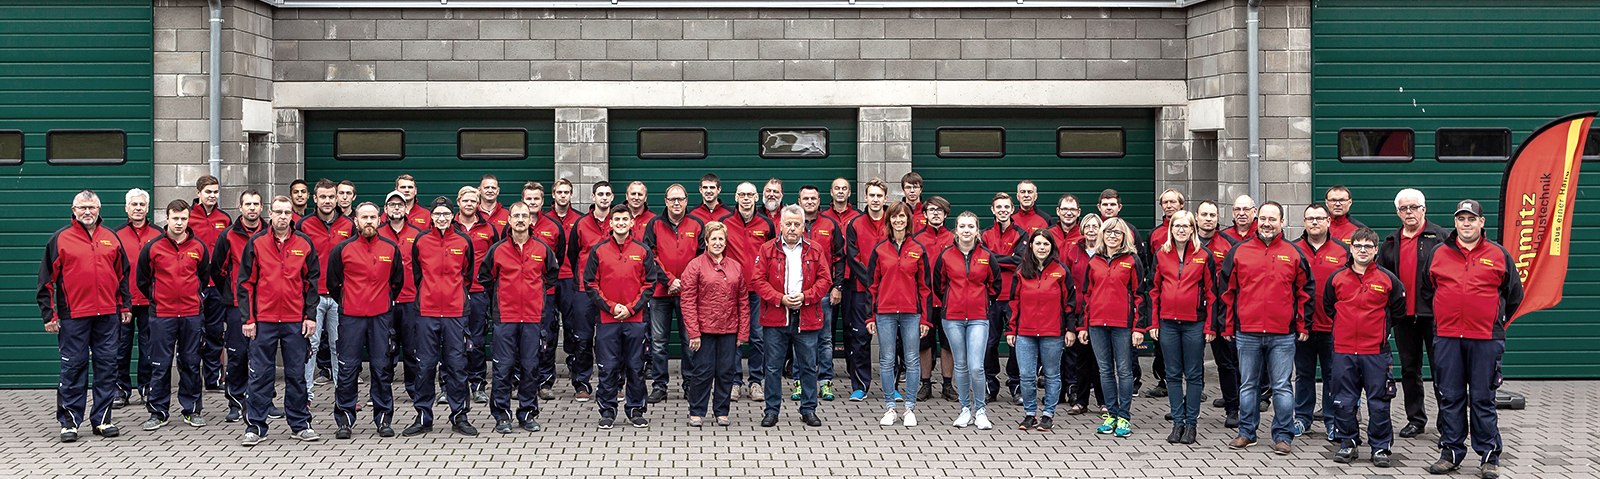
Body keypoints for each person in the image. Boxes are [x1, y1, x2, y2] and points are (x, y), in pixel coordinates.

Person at [1419, 199, 1521, 479]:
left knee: (1482, 398)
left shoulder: (1498, 254)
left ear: (1481, 222)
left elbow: (1514, 295)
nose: (1466, 223)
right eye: (1461, 219)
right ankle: (1451, 452)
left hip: (1485, 339)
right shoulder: (1439, 253)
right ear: (1455, 223)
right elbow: (1427, 290)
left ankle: (1489, 456)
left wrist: (1493, 318)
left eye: (1471, 219)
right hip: (1448, 338)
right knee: (1449, 397)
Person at [1219, 201, 1313, 455]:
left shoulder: (1293, 253)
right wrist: (1227, 325)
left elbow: (1305, 292)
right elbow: (1227, 292)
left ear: (1282, 222)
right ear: (1255, 221)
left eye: (1272, 219)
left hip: (1282, 333)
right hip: (1246, 331)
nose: (1267, 224)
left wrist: (1303, 324)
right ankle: (1247, 432)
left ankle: (1283, 435)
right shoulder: (1239, 251)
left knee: (1282, 386)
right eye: (1262, 219)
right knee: (1248, 385)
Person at [39, 189, 132, 442]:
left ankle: (102, 420)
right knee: (73, 368)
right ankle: (69, 423)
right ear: (73, 210)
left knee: (106, 367)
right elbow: (46, 281)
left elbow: (122, 276)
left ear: (99, 210)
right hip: (74, 317)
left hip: (107, 316)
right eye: (82, 207)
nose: (87, 212)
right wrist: (49, 315)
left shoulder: (111, 238)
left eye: (92, 207)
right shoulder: (60, 239)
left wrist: (124, 306)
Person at [236, 195, 321, 446]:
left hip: (295, 321)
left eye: (287, 212)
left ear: (292, 214)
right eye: (278, 212)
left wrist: (310, 316)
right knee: (261, 375)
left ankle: (300, 424)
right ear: (269, 214)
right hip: (264, 321)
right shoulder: (256, 243)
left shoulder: (304, 243)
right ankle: (256, 426)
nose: (283, 217)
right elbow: (245, 284)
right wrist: (248, 319)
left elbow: (311, 284)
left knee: (296, 374)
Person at [1323, 227, 1404, 468]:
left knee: (1379, 402)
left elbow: (1398, 310)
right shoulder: (1337, 278)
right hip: (1344, 351)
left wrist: (1381, 328)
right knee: (1344, 401)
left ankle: (1380, 448)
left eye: (1368, 246)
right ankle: (1348, 443)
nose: (1362, 250)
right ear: (1351, 248)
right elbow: (1329, 307)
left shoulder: (1387, 279)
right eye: (1358, 245)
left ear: (1376, 250)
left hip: (1375, 352)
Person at [479, 201, 559, 434]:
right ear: (510, 221)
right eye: (517, 216)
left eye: (525, 215)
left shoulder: (542, 249)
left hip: (533, 317)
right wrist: (502, 296)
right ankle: (502, 416)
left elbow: (551, 275)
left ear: (531, 220)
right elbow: (486, 277)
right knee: (503, 368)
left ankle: (527, 413)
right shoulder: (498, 250)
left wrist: (536, 294)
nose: (521, 219)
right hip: (505, 317)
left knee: (530, 367)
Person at [325, 202, 404, 439]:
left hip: (381, 317)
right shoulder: (342, 249)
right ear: (356, 221)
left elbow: (396, 282)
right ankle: (345, 420)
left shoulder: (390, 249)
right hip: (351, 317)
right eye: (364, 217)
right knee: (347, 369)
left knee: (381, 369)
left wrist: (383, 301)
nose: (368, 221)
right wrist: (350, 300)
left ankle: (383, 419)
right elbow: (333, 283)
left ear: (380, 219)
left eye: (372, 217)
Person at [1377, 188, 1449, 439]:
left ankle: (1448, 424)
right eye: (1404, 208)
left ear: (1424, 209)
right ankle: (1416, 419)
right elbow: (1382, 279)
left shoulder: (1441, 238)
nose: (1409, 212)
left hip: (1435, 317)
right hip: (1404, 318)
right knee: (1409, 370)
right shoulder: (1389, 243)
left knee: (1443, 371)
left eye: (1414, 207)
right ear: (1398, 212)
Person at [404, 197, 477, 437]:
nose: (442, 218)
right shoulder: (421, 241)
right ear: (431, 217)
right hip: (427, 312)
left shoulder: (463, 241)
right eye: (438, 214)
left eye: (446, 214)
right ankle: (423, 416)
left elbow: (467, 273)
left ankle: (460, 416)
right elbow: (418, 273)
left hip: (456, 312)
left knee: (456, 365)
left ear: (452, 216)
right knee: (425, 366)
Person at [753, 205, 831, 428]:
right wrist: (780, 298)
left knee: (808, 366)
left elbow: (825, 280)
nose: (793, 228)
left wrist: (806, 296)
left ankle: (809, 409)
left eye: (797, 224)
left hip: (806, 315)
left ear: (804, 225)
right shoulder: (767, 249)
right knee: (773, 367)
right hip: (776, 316)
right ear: (780, 225)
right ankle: (771, 410)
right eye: (789, 224)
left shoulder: (814, 249)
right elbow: (758, 281)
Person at [584, 207, 662, 429]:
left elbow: (649, 283)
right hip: (607, 320)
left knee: (635, 367)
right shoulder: (598, 251)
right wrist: (610, 307)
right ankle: (607, 411)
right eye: (616, 219)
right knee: (608, 367)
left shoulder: (643, 250)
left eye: (624, 219)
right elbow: (590, 283)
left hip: (635, 320)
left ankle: (636, 409)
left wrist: (630, 308)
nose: (620, 223)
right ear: (610, 223)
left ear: (631, 223)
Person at [136, 199, 211, 431]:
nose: (179, 223)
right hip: (162, 315)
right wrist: (159, 296)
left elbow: (204, 276)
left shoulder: (198, 247)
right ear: (167, 219)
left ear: (188, 220)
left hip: (191, 315)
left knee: (190, 363)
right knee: (159, 364)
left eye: (183, 219)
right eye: (175, 218)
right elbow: (142, 279)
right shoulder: (153, 247)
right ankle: (158, 412)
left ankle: (191, 410)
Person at [1079, 217, 1149, 438]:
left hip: (1123, 325)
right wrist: (1083, 326)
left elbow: (1140, 296)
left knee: (1125, 371)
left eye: (1117, 233)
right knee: (1105, 371)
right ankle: (1110, 414)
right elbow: (1087, 296)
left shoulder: (1132, 260)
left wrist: (1139, 328)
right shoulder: (1094, 262)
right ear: (1102, 235)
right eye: (1108, 232)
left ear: (1124, 237)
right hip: (1097, 325)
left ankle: (1124, 417)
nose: (1112, 236)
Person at [1148, 210, 1213, 444]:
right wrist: (1153, 322)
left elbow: (1212, 293)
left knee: (1194, 374)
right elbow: (1153, 291)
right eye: (1177, 226)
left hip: (1194, 323)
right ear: (1171, 229)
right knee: (1172, 374)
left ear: (1193, 229)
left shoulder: (1203, 255)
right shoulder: (1161, 254)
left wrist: (1210, 326)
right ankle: (1178, 422)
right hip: (1167, 323)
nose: (1182, 230)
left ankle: (1191, 423)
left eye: (1186, 226)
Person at [866, 201, 932, 426]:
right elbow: (871, 285)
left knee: (912, 360)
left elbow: (925, 287)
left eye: (902, 217)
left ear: (908, 220)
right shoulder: (880, 249)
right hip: (884, 313)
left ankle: (910, 408)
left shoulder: (918, 249)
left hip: (911, 313)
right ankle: (890, 408)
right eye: (894, 217)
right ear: (889, 220)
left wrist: (925, 319)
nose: (898, 220)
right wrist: (869, 316)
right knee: (886, 361)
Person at [933, 212, 1001, 429]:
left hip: (978, 317)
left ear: (976, 230)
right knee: (960, 366)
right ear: (956, 230)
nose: (966, 230)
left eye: (970, 226)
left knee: (976, 367)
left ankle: (980, 410)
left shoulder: (987, 256)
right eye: (962, 226)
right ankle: (964, 409)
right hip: (952, 318)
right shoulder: (945, 256)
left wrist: (980, 301)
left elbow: (995, 285)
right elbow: (939, 285)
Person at [679, 222, 750, 427]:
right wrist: (693, 332)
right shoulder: (695, 266)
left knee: (726, 371)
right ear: (706, 242)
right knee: (702, 371)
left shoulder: (735, 267)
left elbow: (743, 301)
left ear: (726, 242)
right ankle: (697, 411)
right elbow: (688, 300)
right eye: (714, 239)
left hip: (729, 328)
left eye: (721, 239)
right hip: (704, 330)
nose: (717, 243)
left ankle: (722, 411)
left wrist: (742, 332)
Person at [1009, 229, 1078, 432]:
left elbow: (1070, 304)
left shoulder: (1061, 271)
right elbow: (1014, 303)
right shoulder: (1021, 271)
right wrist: (1011, 330)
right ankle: (1030, 415)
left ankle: (1048, 415)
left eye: (1046, 244)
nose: (1041, 247)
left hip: (1053, 332)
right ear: (1031, 246)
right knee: (1027, 375)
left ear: (1051, 247)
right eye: (1038, 243)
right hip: (1025, 332)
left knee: (1052, 375)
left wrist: (1070, 330)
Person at [210, 190, 270, 423]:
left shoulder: (270, 233)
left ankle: (264, 401)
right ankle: (236, 402)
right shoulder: (228, 236)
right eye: (248, 204)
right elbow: (217, 269)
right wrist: (232, 291)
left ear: (262, 207)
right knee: (237, 354)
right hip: (236, 304)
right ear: (240, 207)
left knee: (262, 356)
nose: (252, 208)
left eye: (256, 203)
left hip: (265, 305)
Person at [643, 184, 705, 404]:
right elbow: (650, 255)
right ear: (666, 201)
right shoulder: (654, 224)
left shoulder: (697, 225)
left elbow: (701, 258)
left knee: (690, 341)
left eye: (680, 199)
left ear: (687, 201)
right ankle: (660, 386)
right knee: (659, 342)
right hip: (661, 292)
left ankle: (690, 384)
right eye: (672, 199)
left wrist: (684, 282)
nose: (676, 203)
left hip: (689, 294)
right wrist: (669, 280)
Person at [1293, 203, 1350, 439]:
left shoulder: (1343, 251)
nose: (1314, 222)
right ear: (1304, 222)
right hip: (1302, 327)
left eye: (1319, 218)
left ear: (1328, 221)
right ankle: (1302, 418)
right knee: (1304, 374)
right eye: (1310, 219)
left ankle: (1332, 420)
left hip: (1332, 327)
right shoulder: (1294, 249)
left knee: (1331, 375)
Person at [719, 182, 777, 401]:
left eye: (749, 195)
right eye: (741, 194)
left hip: (757, 291)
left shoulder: (766, 224)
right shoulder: (724, 223)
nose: (745, 198)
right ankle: (734, 382)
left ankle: (755, 382)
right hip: (731, 289)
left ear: (756, 197)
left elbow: (773, 255)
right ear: (735, 196)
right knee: (733, 337)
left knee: (758, 337)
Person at [298, 179, 354, 398]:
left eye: (332, 197)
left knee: (339, 346)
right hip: (313, 297)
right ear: (315, 198)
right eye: (323, 197)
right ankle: (306, 395)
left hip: (340, 296)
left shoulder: (348, 225)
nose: (328, 201)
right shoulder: (304, 225)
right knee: (310, 346)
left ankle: (344, 395)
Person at [561, 181, 614, 402]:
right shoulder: (581, 224)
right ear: (593, 197)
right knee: (582, 338)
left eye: (607, 194)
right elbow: (573, 254)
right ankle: (581, 383)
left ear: (612, 197)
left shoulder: (618, 221)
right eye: (600, 194)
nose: (604, 198)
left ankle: (612, 384)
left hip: (611, 291)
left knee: (610, 339)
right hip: (583, 289)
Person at [794, 184, 844, 401]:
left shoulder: (830, 225)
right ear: (799, 200)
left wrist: (837, 286)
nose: (810, 202)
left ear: (819, 200)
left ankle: (825, 382)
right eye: (806, 198)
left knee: (824, 339)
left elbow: (840, 258)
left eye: (813, 198)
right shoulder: (792, 224)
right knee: (799, 337)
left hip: (823, 292)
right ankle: (798, 382)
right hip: (797, 292)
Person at [842, 178, 889, 401]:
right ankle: (860, 385)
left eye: (879, 195)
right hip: (861, 290)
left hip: (891, 291)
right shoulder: (855, 224)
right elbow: (853, 256)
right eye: (872, 195)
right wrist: (872, 281)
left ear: (885, 198)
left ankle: (892, 386)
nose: (876, 199)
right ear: (866, 197)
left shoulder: (894, 220)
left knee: (892, 340)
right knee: (860, 338)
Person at [1198, 199, 1244, 427]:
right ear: (1196, 218)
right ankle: (1190, 408)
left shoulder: (1230, 245)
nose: (1208, 218)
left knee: (1226, 363)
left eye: (1212, 215)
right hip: (1193, 314)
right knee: (1191, 365)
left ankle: (1233, 408)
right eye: (1204, 214)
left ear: (1218, 218)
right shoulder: (1187, 242)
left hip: (1221, 314)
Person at [519, 182, 567, 402]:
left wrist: (545, 285)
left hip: (544, 294)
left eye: (536, 199)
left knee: (546, 336)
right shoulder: (514, 226)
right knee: (520, 338)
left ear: (542, 200)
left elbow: (560, 256)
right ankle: (519, 381)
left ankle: (545, 382)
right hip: (519, 295)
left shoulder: (553, 226)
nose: (532, 203)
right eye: (528, 199)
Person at [377, 191, 424, 415]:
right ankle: (382, 392)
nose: (396, 208)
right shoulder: (377, 234)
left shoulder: (418, 234)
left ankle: (415, 390)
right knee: (384, 350)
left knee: (412, 349)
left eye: (400, 204)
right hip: (384, 302)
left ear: (407, 209)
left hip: (410, 300)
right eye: (392, 204)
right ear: (385, 209)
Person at [113, 188, 159, 409]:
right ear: (126, 208)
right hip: (125, 303)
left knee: (149, 349)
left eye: (142, 204)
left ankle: (147, 389)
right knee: (120, 349)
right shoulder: (115, 235)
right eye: (134, 205)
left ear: (147, 208)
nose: (138, 208)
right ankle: (120, 390)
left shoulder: (159, 234)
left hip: (151, 302)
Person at [455, 186, 499, 405]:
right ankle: (450, 386)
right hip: (454, 293)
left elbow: (495, 259)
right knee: (453, 341)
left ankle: (478, 384)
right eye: (466, 200)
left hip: (480, 292)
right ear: (459, 202)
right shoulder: (449, 226)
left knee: (478, 340)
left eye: (474, 201)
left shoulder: (489, 229)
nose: (470, 204)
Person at [980, 192, 1025, 404]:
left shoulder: (1021, 234)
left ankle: (1016, 384)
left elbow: (1020, 261)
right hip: (991, 296)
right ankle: (991, 385)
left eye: (1006, 207)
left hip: (1015, 296)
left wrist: (994, 259)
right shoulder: (985, 234)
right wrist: (1005, 259)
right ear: (992, 210)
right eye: (999, 207)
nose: (1003, 210)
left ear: (1012, 209)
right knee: (989, 344)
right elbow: (983, 260)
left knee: (1016, 343)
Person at [544, 178, 586, 399]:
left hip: (571, 280)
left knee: (573, 329)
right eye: (559, 192)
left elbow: (576, 252)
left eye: (566, 192)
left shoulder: (579, 220)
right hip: (549, 283)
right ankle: (546, 380)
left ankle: (578, 379)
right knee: (548, 330)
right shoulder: (543, 220)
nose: (563, 195)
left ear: (571, 195)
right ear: (553, 195)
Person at [1142, 188, 1185, 399]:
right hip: (1163, 297)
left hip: (1185, 303)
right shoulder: (1155, 234)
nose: (1169, 206)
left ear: (1181, 205)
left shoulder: (1188, 231)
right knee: (1161, 344)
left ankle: (1193, 386)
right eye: (1165, 203)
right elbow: (1151, 266)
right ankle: (1163, 381)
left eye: (1173, 202)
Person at [1062, 214, 1106, 416]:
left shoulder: (1105, 251)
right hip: (1078, 311)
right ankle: (1081, 401)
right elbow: (1066, 280)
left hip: (1100, 311)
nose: (1091, 230)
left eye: (1095, 226)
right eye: (1087, 226)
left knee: (1100, 360)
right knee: (1081, 359)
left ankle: (1103, 401)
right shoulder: (1073, 251)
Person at [191, 175, 231, 392]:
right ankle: (193, 379)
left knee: (215, 332)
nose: (212, 196)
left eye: (215, 192)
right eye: (208, 192)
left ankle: (213, 377)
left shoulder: (224, 219)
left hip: (217, 286)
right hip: (194, 286)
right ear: (198, 193)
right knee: (194, 333)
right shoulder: (187, 218)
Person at [912, 196, 955, 401]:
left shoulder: (954, 239)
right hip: (925, 300)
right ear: (925, 214)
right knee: (925, 343)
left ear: (946, 214)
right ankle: (925, 384)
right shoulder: (917, 239)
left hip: (949, 300)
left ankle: (948, 385)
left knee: (948, 344)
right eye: (931, 210)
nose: (935, 213)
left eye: (940, 210)